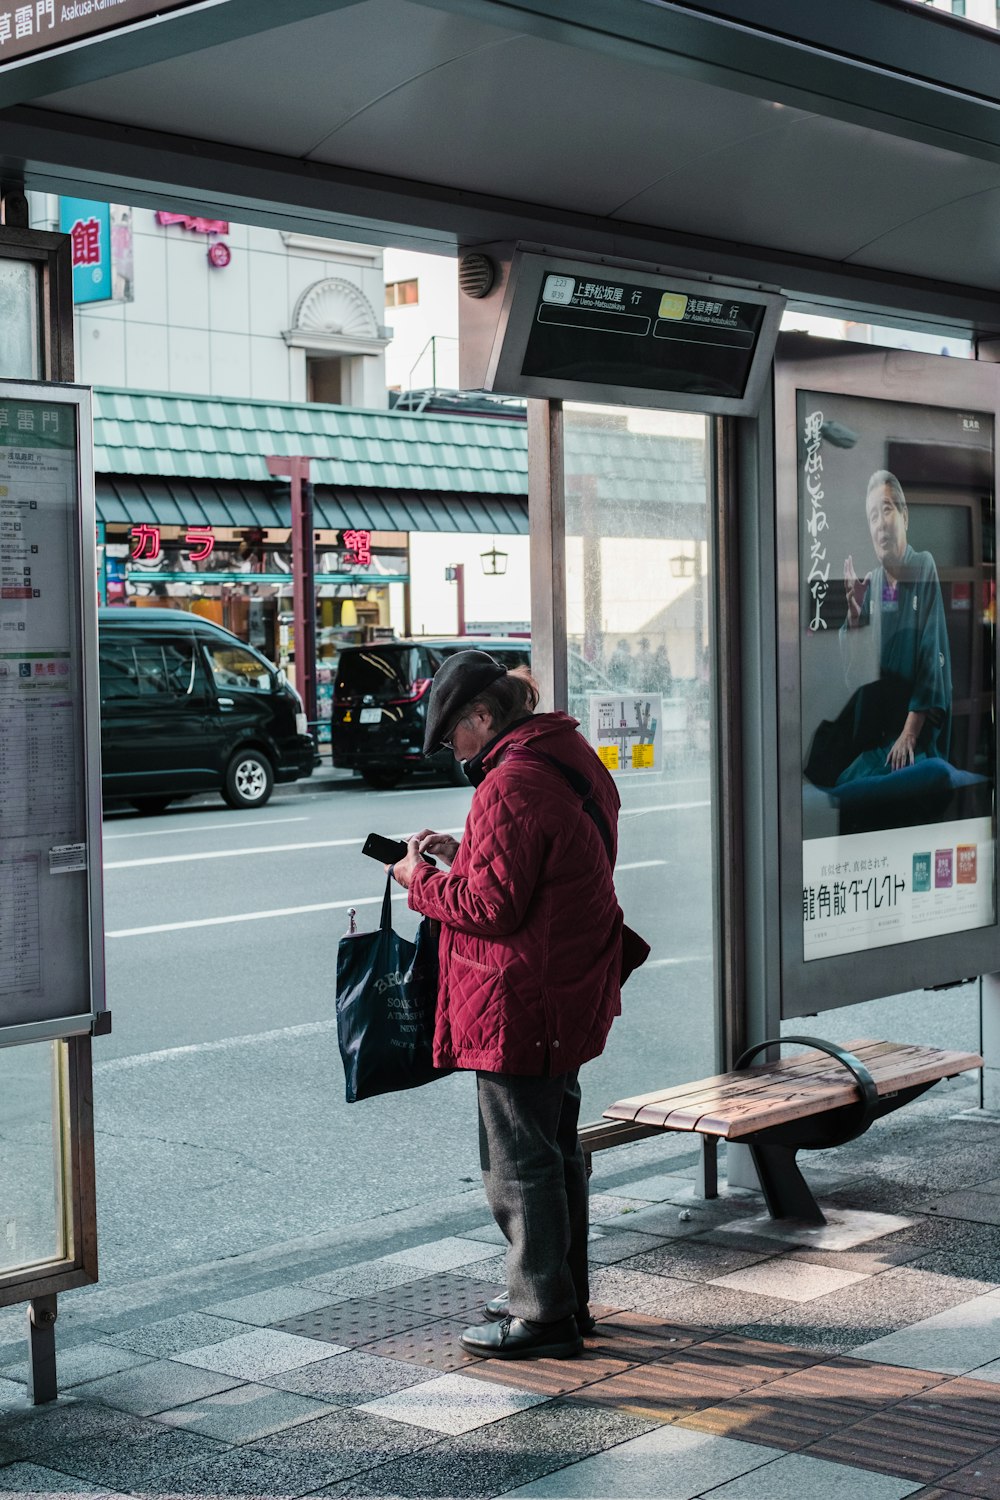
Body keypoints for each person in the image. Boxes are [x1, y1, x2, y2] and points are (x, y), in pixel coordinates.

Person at [389, 650, 623, 1360]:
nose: (450, 751)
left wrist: (416, 878)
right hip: (568, 986)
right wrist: (471, 847)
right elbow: (552, 858)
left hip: (520, 997)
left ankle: (543, 1313)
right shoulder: (564, 752)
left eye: (453, 734)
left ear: (483, 717)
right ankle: (560, 1290)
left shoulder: (510, 782)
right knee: (554, 1149)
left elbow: (488, 905)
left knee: (517, 1159)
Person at [837, 469, 951, 784]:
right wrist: (856, 618)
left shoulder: (922, 565)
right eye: (872, 517)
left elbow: (931, 653)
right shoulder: (875, 586)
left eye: (886, 510)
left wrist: (910, 734)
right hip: (880, 737)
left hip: (916, 734)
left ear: (904, 516)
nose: (880, 524)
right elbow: (858, 677)